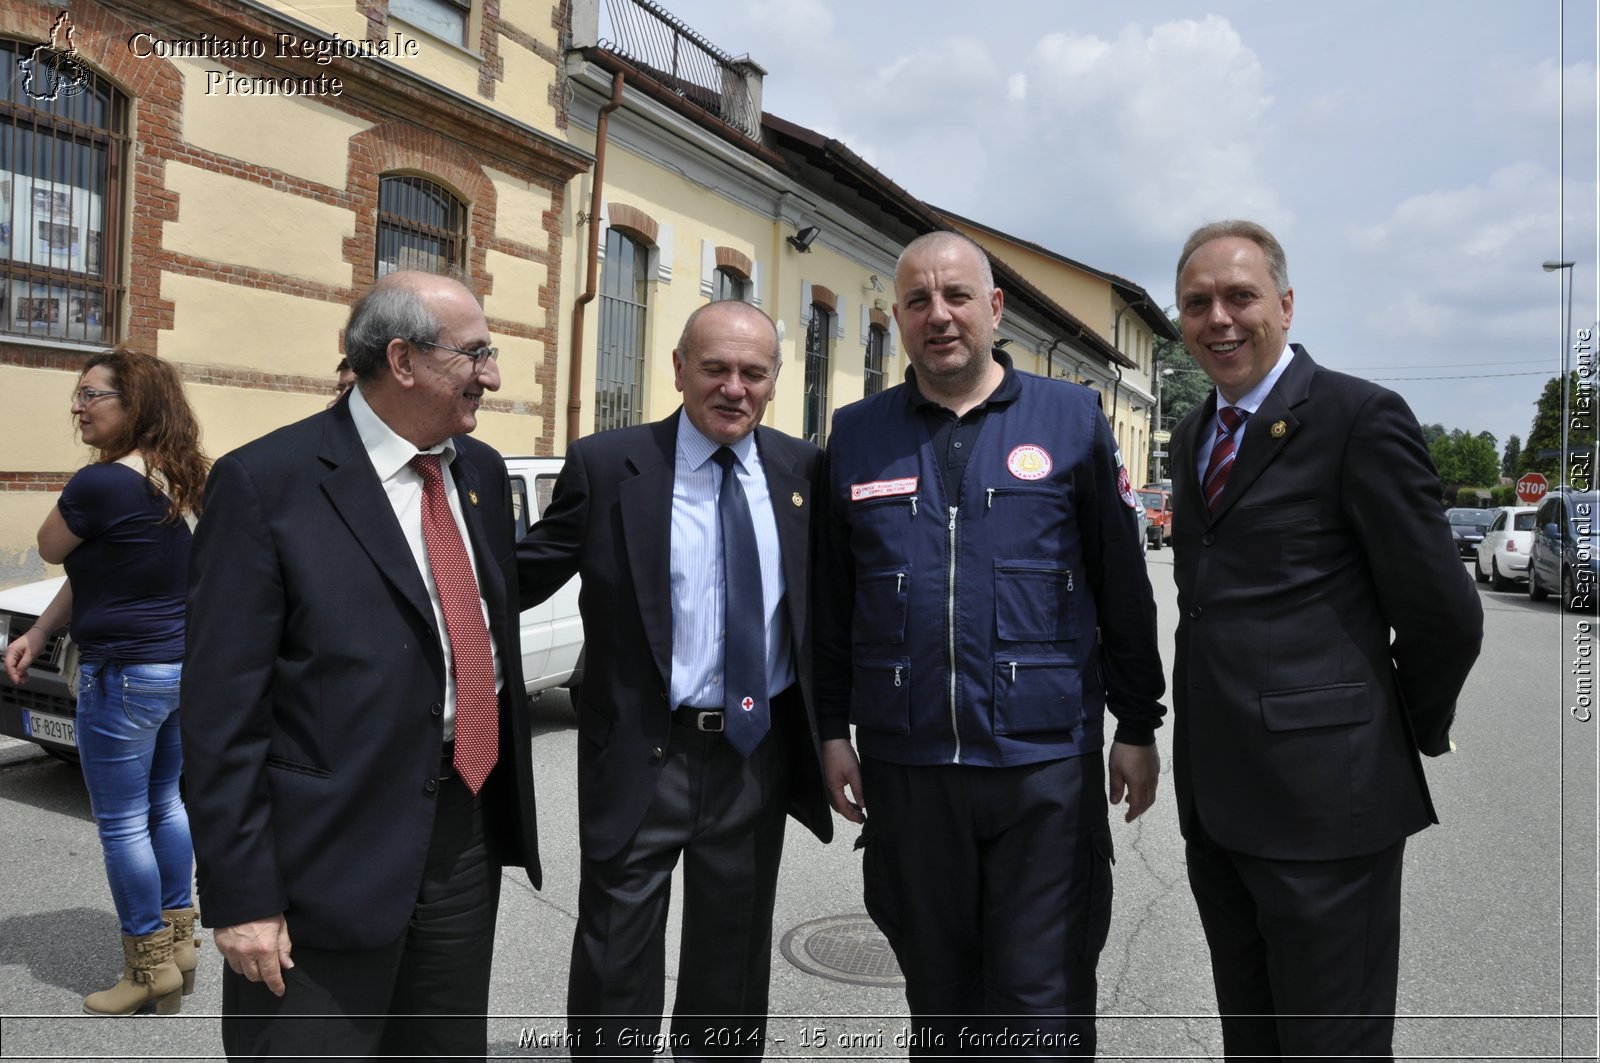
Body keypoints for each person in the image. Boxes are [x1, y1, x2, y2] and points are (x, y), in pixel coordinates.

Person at [813, 230, 1165, 1057]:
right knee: (939, 1002)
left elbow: (1122, 588)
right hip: (911, 767)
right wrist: (832, 728)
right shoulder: (857, 434)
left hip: (1043, 767)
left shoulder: (1071, 419)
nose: (940, 316)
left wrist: (1139, 724)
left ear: (994, 308)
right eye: (918, 301)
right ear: (896, 316)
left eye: (958, 296)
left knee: (1041, 1002)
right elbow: (833, 604)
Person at [180, 270, 540, 1058]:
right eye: (475, 353)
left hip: (461, 830)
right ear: (403, 359)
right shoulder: (266, 484)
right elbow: (219, 716)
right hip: (322, 862)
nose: (494, 374)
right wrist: (243, 898)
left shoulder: (476, 472)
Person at [1166, 219, 1484, 1060]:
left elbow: (1443, 611)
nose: (1219, 319)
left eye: (1240, 296)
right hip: (1221, 805)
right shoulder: (1195, 434)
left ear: (1286, 303)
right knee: (1254, 1038)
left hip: (1327, 813)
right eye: (1197, 303)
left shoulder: (1359, 417)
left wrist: (1387, 725)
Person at [518, 299, 832, 1059]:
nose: (734, 387)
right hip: (641, 753)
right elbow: (517, 574)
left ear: (774, 382)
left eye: (753, 373)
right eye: (716, 368)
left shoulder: (803, 471)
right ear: (679, 370)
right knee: (614, 959)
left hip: (753, 756)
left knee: (731, 962)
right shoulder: (609, 465)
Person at [4, 349, 209, 1015]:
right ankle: (180, 942)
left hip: (122, 674)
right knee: (166, 805)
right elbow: (100, 570)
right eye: (79, 394)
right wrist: (38, 632)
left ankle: (148, 966)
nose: (78, 406)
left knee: (123, 822)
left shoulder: (101, 486)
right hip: (181, 670)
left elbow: (52, 545)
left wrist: (81, 486)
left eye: (94, 395)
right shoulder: (178, 476)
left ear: (135, 405)